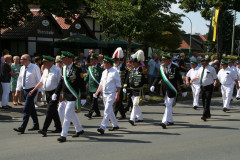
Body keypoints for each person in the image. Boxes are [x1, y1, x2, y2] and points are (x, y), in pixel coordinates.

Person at [52, 51, 87, 143]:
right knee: (72, 114)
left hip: (73, 95)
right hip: (65, 95)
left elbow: (81, 83)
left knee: (67, 114)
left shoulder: (77, 69)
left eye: (63, 59)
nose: (62, 60)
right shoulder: (63, 68)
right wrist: (56, 93)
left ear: (69, 59)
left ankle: (63, 135)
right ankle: (79, 129)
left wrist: (83, 96)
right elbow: (61, 82)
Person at [150, 53, 187, 129]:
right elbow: (158, 77)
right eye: (162, 60)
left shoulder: (175, 68)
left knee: (168, 104)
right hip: (164, 89)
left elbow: (179, 80)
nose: (163, 61)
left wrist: (183, 90)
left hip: (172, 89)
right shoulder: (162, 68)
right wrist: (153, 85)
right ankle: (170, 120)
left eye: (164, 60)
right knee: (167, 104)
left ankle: (164, 121)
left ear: (169, 60)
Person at [29, 56, 62, 137]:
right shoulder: (46, 70)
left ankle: (44, 129)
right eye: (43, 62)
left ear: (50, 62)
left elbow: (60, 83)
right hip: (47, 92)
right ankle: (58, 127)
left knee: (49, 111)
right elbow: (41, 82)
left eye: (45, 62)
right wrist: (33, 90)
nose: (43, 64)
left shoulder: (57, 70)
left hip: (55, 93)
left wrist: (60, 94)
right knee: (54, 111)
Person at [13, 54, 41, 134]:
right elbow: (20, 79)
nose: (20, 60)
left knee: (26, 108)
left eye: (22, 59)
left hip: (32, 90)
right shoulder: (22, 68)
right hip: (25, 90)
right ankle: (36, 125)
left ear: (27, 60)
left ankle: (22, 127)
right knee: (31, 108)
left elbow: (39, 80)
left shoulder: (35, 67)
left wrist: (40, 92)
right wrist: (18, 90)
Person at [94, 56, 121, 135]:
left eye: (104, 63)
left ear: (109, 64)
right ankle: (115, 125)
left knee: (106, 110)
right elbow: (101, 83)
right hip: (105, 93)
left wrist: (117, 94)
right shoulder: (104, 72)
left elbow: (118, 85)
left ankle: (102, 127)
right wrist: (97, 92)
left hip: (111, 93)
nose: (103, 64)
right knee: (109, 110)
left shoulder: (114, 72)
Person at [124, 50, 146, 126]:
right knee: (135, 104)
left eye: (134, 62)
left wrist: (147, 92)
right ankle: (140, 117)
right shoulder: (132, 70)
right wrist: (125, 86)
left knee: (135, 105)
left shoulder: (142, 70)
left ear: (138, 63)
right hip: (132, 90)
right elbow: (127, 78)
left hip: (139, 90)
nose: (132, 64)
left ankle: (132, 119)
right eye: (132, 62)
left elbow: (145, 82)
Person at [84, 54, 104, 119]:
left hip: (97, 87)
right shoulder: (89, 68)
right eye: (90, 60)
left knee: (94, 100)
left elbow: (103, 78)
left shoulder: (100, 69)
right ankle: (98, 113)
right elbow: (87, 78)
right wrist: (82, 85)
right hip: (91, 87)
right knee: (93, 100)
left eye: (92, 59)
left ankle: (90, 113)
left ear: (96, 60)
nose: (91, 61)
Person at [112, 47, 127, 120]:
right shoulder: (113, 68)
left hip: (121, 87)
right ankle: (123, 114)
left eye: (116, 60)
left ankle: (113, 115)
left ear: (120, 61)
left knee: (116, 101)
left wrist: (125, 86)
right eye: (114, 60)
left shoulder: (124, 69)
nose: (115, 61)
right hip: (113, 86)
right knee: (119, 102)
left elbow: (126, 78)